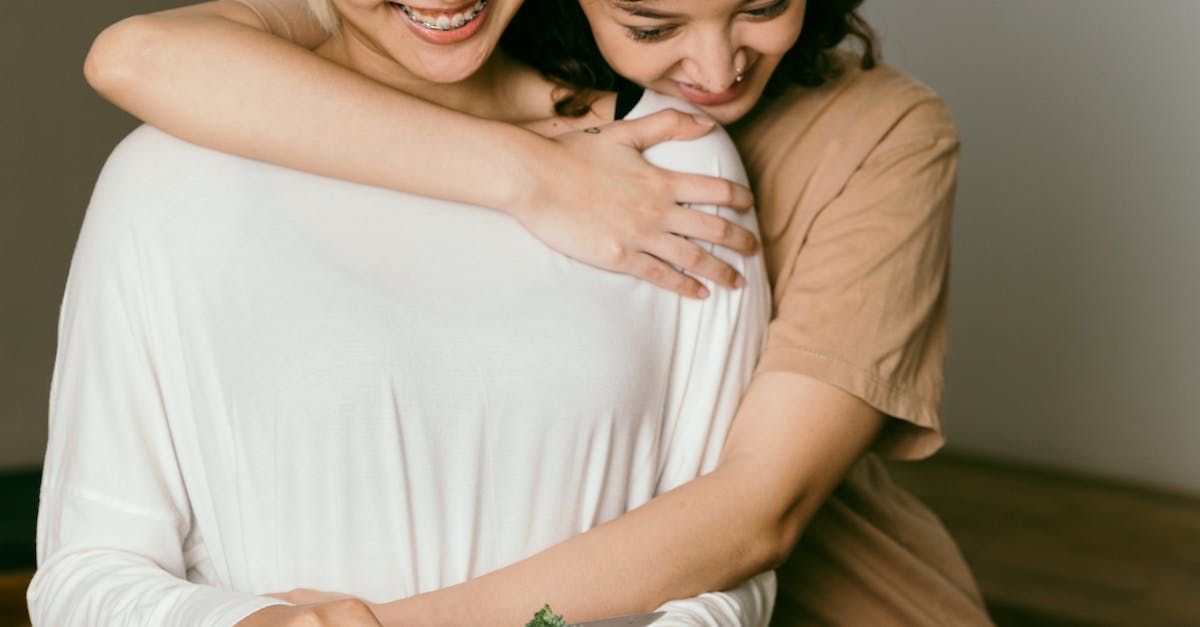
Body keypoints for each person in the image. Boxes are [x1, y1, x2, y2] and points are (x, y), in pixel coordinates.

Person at [75, 0, 996, 625]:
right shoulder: (189, 163)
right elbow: (143, 55)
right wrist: (536, 176)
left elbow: (755, 516)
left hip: (856, 599)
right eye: (654, 20)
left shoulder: (751, 151)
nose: (714, 65)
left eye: (761, 3)